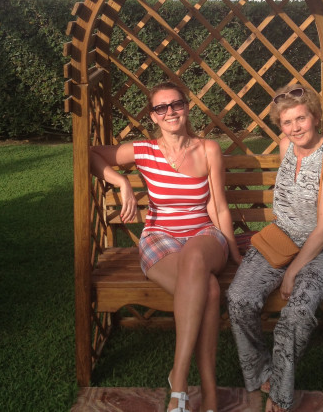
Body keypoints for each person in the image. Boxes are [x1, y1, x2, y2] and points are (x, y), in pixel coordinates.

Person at [89, 81, 241, 412]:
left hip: (204, 233)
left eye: (176, 104)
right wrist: (122, 182)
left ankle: (179, 380)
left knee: (195, 257)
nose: (170, 112)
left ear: (187, 107)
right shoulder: (143, 150)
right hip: (159, 237)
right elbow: (91, 154)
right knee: (210, 290)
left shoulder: (208, 149)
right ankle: (210, 392)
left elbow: (218, 206)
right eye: (161, 107)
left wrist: (234, 252)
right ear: (153, 116)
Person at [227, 85, 323, 412]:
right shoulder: (286, 147)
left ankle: (281, 396)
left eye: (301, 119)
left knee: (296, 312)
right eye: (287, 122)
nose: (295, 128)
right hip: (282, 238)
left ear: (315, 117)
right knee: (239, 298)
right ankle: (261, 371)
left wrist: (293, 271)